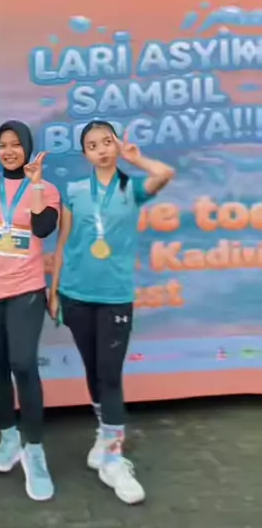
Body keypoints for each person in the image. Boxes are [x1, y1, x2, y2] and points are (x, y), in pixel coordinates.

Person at [49, 120, 175, 505]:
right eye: (93, 145)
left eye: (107, 142)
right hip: (75, 294)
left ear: (116, 146)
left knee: (110, 373)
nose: (102, 149)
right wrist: (53, 290)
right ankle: (104, 438)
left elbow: (165, 174)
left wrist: (137, 159)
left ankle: (114, 458)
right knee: (93, 370)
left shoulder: (131, 188)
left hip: (114, 297)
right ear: (85, 153)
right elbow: (63, 242)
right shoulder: (73, 191)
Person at [0, 121, 60, 501]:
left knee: (23, 364)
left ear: (27, 147)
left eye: (15, 144)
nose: (9, 151)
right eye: (2, 145)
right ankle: (9, 439)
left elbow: (42, 229)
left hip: (26, 290)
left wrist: (36, 183)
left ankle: (35, 450)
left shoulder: (47, 189)